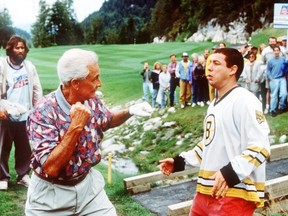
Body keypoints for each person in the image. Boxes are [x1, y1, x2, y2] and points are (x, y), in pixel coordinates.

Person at [25, 48, 153, 215]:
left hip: (89, 189)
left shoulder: (91, 100)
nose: (99, 83)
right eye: (95, 79)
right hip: (50, 197)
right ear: (75, 83)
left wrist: (129, 111)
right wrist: (76, 126)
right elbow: (51, 167)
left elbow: (106, 120)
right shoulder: (42, 112)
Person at [159, 48, 270, 216]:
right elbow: (210, 144)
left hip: (233, 192)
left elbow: (260, 146)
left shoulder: (245, 100)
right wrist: (180, 162)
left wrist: (230, 173)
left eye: (216, 63)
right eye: (209, 62)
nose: (209, 67)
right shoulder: (214, 104)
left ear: (232, 70)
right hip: (204, 192)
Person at [0, 35, 43, 190]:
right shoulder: (2, 65)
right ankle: (2, 177)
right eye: (17, 47)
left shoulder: (29, 67)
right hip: (6, 114)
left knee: (24, 147)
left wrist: (37, 109)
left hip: (25, 114)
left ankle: (23, 175)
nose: (20, 51)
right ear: (10, 49)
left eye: (22, 48)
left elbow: (37, 89)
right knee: (3, 147)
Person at [266, 46, 287, 117]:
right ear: (273, 52)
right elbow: (268, 70)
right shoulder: (270, 60)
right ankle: (273, 110)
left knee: (284, 94)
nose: (276, 52)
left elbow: (286, 68)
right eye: (275, 50)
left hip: (282, 78)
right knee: (274, 95)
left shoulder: (283, 59)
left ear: (279, 51)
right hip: (274, 79)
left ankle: (282, 106)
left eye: (278, 50)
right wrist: (270, 77)